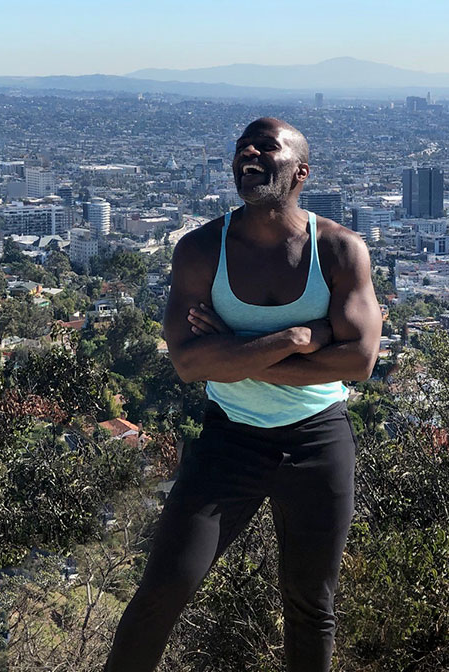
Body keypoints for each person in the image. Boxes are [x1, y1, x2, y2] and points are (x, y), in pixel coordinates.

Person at [104, 117, 381, 671]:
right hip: (229, 441)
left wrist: (235, 355)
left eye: (266, 146)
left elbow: (359, 362)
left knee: (311, 606)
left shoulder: (340, 251)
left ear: (301, 172)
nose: (248, 152)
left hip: (318, 442)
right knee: (164, 588)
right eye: (241, 147)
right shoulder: (202, 249)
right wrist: (298, 338)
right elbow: (187, 363)